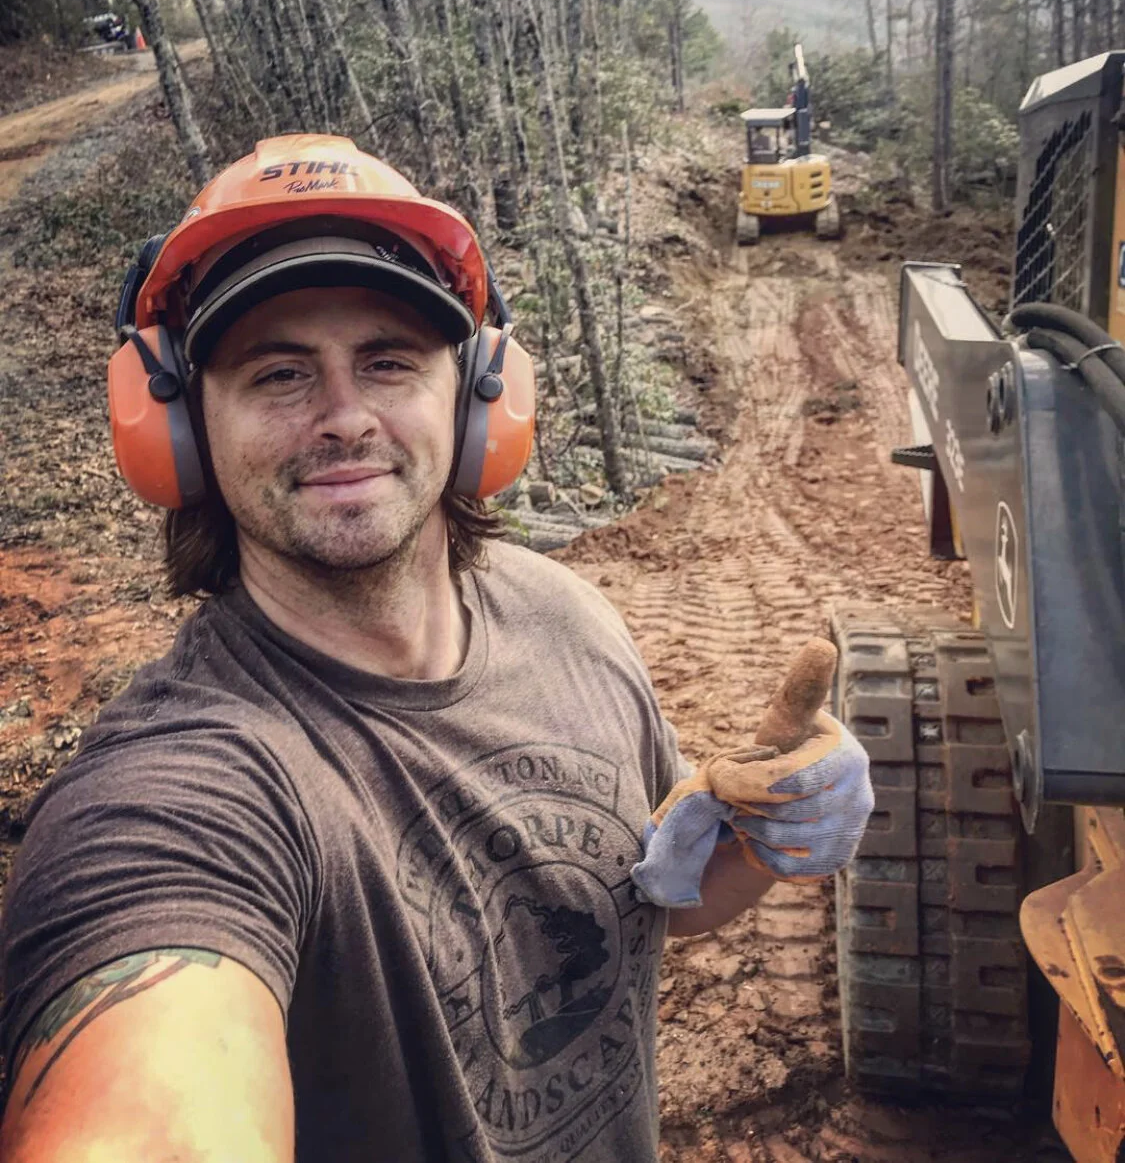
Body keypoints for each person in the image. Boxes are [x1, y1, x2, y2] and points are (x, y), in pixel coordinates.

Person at [0, 135, 872, 1163]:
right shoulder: (176, 796)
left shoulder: (566, 615)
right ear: (180, 432)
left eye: (388, 361)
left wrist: (758, 831)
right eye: (278, 373)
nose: (344, 418)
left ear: (477, 393)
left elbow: (644, 898)